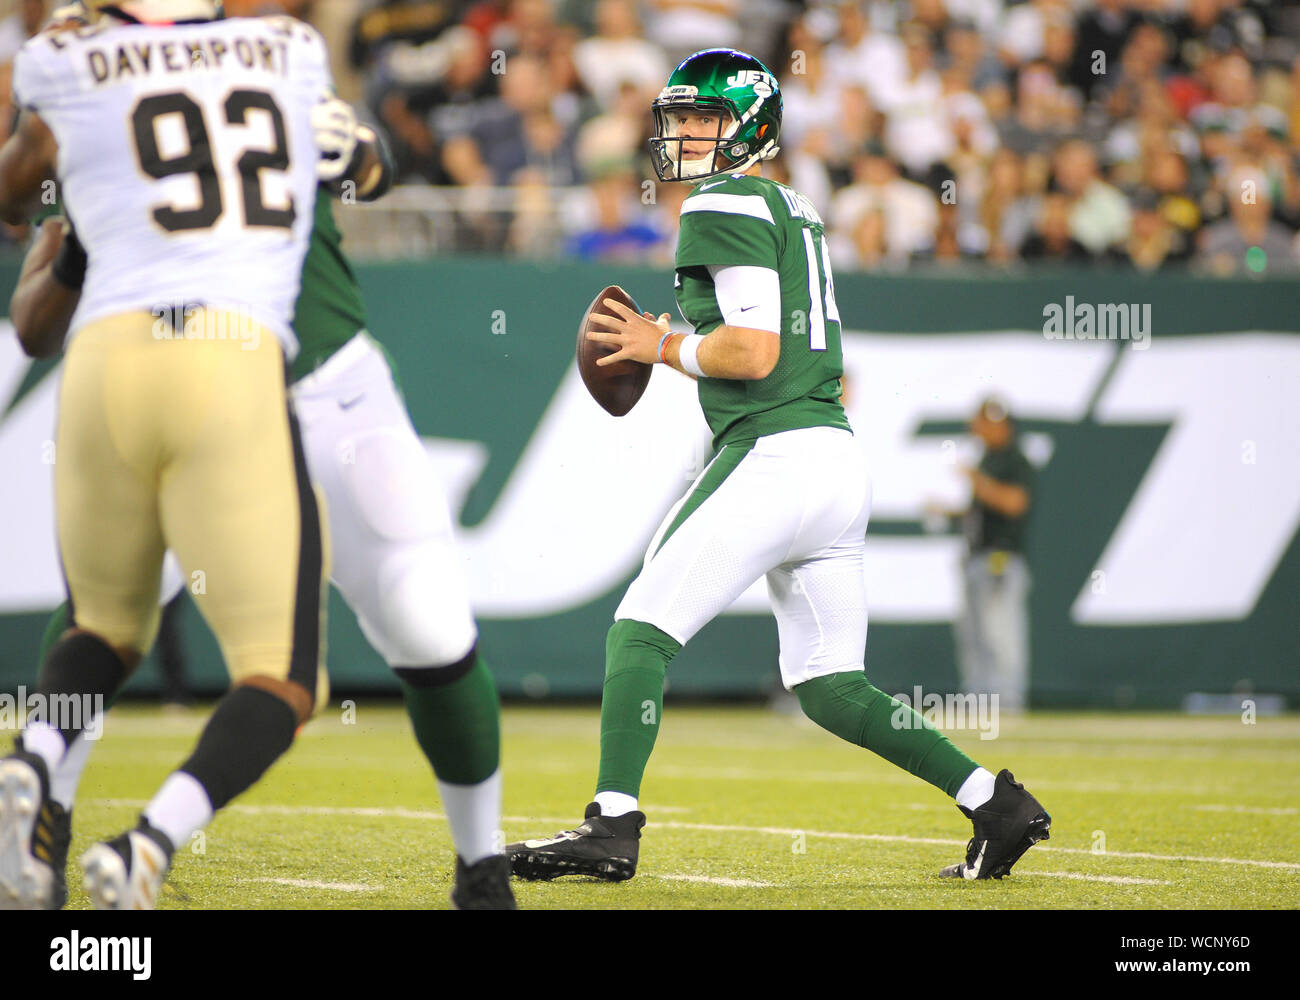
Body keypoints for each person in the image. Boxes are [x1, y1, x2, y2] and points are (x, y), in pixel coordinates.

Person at [2, 2, 513, 911]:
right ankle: (48, 827)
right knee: (105, 624)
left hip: (315, 387)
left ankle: (481, 869)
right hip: (217, 380)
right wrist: (69, 236)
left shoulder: (146, 64)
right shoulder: (138, 76)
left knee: (429, 629)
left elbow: (372, 165)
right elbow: (36, 307)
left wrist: (353, 152)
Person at [505, 47, 1051, 884]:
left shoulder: (723, 199)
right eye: (678, 118)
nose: (684, 133)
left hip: (778, 448)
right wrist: (682, 346)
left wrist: (664, 344)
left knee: (639, 630)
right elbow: (771, 336)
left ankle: (612, 824)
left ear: (750, 127)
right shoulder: (789, 203)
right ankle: (995, 803)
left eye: (703, 119)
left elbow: (755, 350)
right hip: (833, 459)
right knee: (831, 684)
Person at [946, 398, 1035, 712]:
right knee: (973, 634)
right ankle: (978, 700)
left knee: (999, 631)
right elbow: (980, 510)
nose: (976, 428)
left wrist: (977, 481)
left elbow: (1015, 503)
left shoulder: (1015, 461)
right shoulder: (988, 459)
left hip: (1000, 559)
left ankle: (1007, 700)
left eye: (983, 422)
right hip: (976, 556)